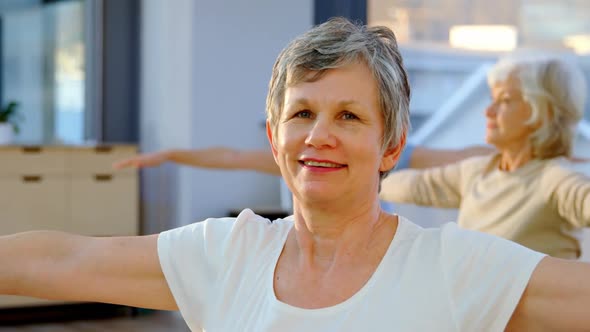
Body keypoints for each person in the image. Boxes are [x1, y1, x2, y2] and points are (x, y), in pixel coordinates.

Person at [2, 17, 590, 331]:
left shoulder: (456, 268)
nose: (318, 135)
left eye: (349, 116)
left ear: (391, 147)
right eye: (302, 113)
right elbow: (65, 260)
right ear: (274, 138)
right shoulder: (228, 254)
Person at [380, 54, 590, 259]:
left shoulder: (555, 180)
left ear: (541, 113)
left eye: (505, 101)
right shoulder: (477, 171)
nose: (488, 111)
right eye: (493, 99)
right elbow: (410, 185)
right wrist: (364, 180)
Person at [112, 144, 496, 173]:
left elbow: (460, 156)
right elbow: (231, 157)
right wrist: (169, 154)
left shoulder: (392, 153)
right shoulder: (296, 158)